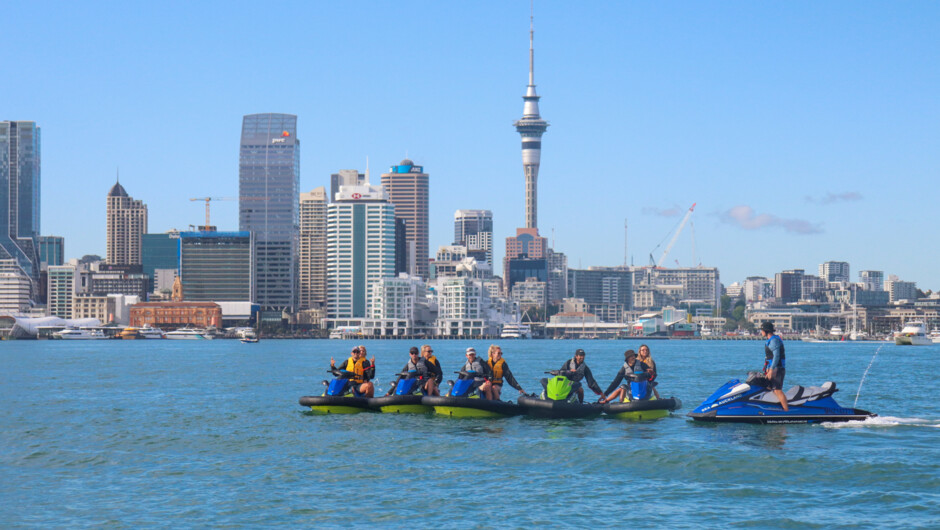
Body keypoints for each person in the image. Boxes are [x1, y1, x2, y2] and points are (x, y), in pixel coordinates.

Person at [759, 321, 789, 411]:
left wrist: (771, 369)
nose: (761, 332)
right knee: (767, 388)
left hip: (777, 369)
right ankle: (770, 408)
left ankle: (786, 411)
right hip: (773, 368)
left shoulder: (774, 340)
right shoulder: (771, 340)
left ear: (766, 331)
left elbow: (776, 356)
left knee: (777, 390)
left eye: (762, 330)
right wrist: (768, 369)